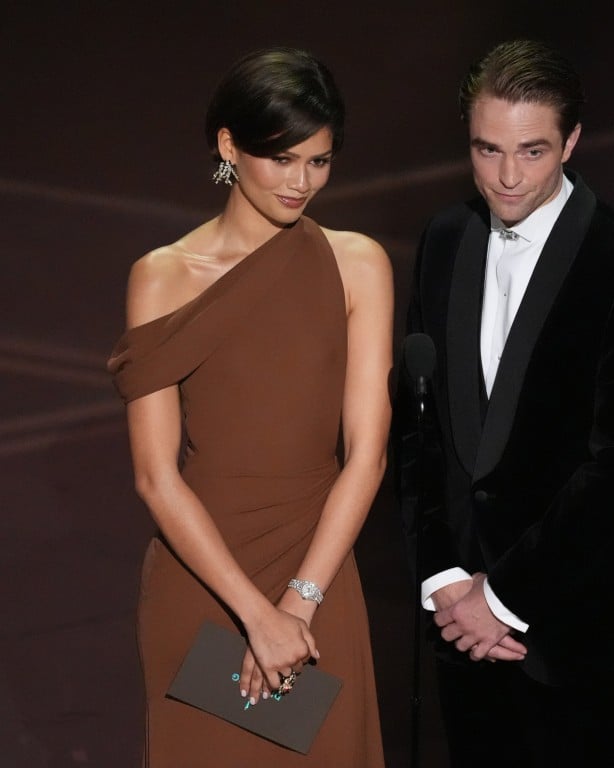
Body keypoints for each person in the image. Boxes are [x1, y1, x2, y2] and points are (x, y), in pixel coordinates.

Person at [394, 39, 614, 767]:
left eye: (532, 150)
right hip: (463, 633)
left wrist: (502, 597)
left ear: (572, 141)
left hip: (585, 644)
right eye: (487, 149)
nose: (507, 176)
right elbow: (419, 429)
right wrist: (446, 582)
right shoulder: (445, 240)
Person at [107, 48, 392, 767]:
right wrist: (256, 615)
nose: (302, 182)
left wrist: (296, 606)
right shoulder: (165, 276)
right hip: (205, 584)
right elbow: (155, 476)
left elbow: (368, 453)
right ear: (229, 146)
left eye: (320, 162)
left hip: (317, 577)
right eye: (283, 158)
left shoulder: (358, 263)